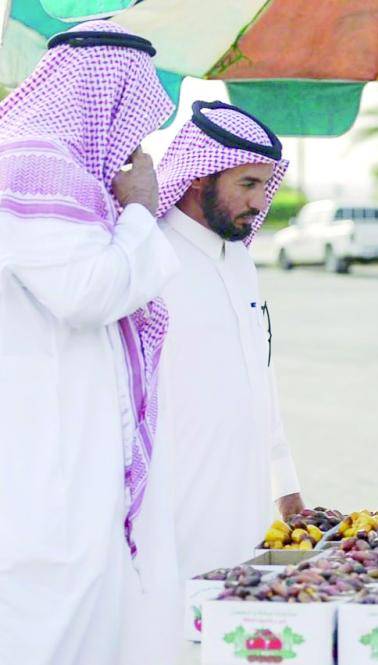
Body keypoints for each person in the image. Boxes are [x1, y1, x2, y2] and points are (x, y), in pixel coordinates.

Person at [0, 21, 177, 665]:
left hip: (59, 432)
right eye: (133, 113)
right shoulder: (37, 165)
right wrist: (138, 210)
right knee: (49, 603)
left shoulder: (45, 163)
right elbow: (87, 294)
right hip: (44, 441)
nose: (136, 140)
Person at [154, 101, 303, 584]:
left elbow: (260, 374)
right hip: (170, 497)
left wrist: (286, 484)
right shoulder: (148, 254)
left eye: (265, 185)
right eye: (247, 184)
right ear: (200, 176)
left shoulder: (240, 261)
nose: (261, 202)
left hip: (246, 494)